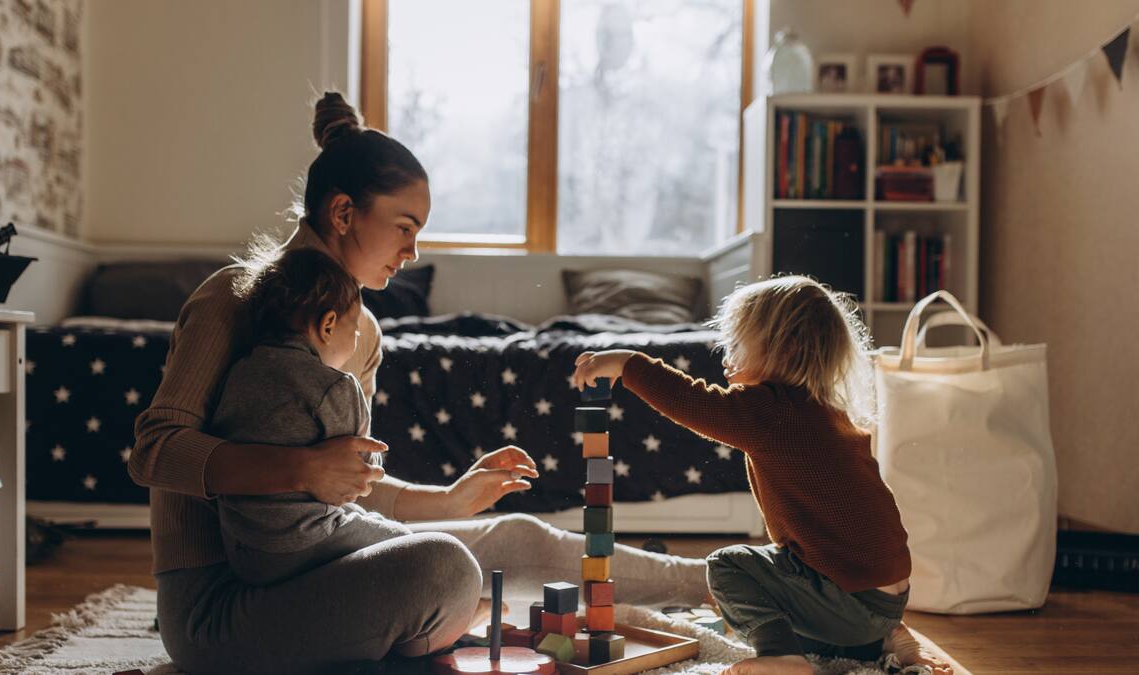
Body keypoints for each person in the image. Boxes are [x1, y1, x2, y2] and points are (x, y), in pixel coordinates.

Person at [129, 91, 709, 673]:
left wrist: (449, 499)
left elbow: (348, 483)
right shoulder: (230, 298)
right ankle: (418, 634)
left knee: (513, 538)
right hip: (219, 602)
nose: (412, 252)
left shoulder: (366, 333)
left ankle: (719, 583)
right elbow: (155, 452)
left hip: (323, 554)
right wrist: (300, 470)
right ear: (342, 213)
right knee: (442, 571)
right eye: (404, 228)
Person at [571, 276, 952, 675]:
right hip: (885, 597)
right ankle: (884, 636)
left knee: (727, 565)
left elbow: (692, 402)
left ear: (783, 349)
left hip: (849, 599)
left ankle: (783, 655)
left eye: (736, 346)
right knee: (775, 587)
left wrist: (628, 363)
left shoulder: (771, 410)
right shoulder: (824, 410)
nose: (725, 358)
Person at [212, 247, 411, 586]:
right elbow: (363, 467)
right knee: (411, 545)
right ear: (328, 325)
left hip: (244, 551)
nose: (357, 341)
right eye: (356, 331)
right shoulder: (335, 385)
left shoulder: (239, 372)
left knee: (358, 519)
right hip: (307, 538)